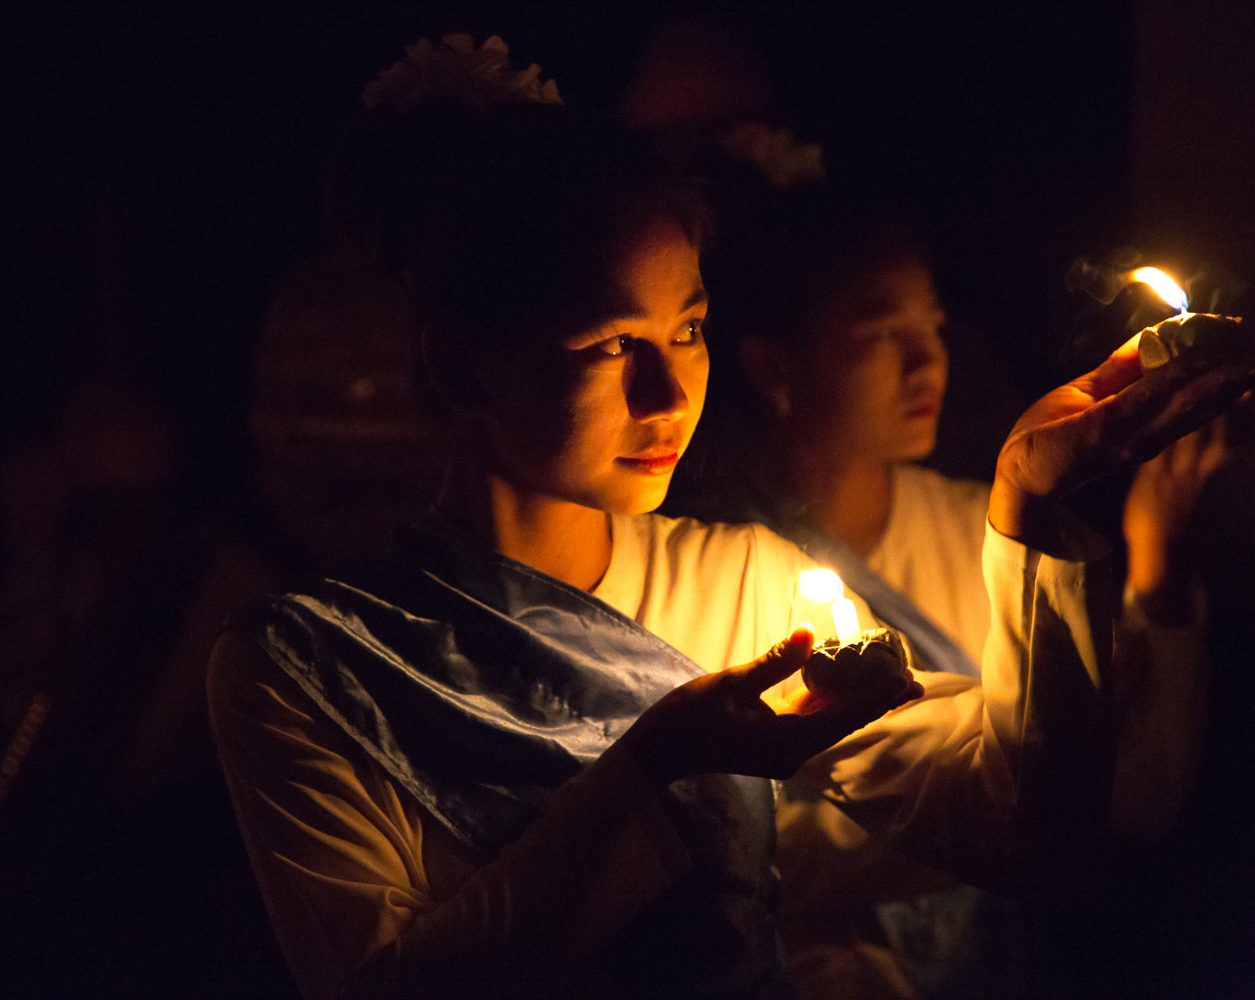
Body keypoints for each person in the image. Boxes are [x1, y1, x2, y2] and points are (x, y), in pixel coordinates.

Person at [208, 37, 1254, 999]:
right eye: (613, 343)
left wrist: (1028, 508)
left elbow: (1032, 835)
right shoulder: (305, 667)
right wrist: (655, 767)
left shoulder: (747, 585)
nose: (670, 395)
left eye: (690, 328)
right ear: (459, 366)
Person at [662, 186, 1226, 997]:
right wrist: (974, 817)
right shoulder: (711, 566)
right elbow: (742, 851)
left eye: (931, 328)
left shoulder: (991, 536)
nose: (928, 361)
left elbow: (1130, 804)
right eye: (884, 332)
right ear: (773, 367)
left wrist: (1156, 563)